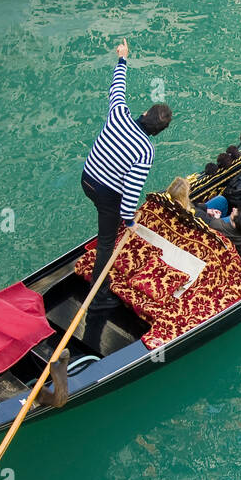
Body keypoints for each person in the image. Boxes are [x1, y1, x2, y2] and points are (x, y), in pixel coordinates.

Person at [81, 38, 172, 307]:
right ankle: (99, 295)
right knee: (107, 243)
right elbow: (132, 190)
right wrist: (129, 221)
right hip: (106, 194)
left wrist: (123, 58)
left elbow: (117, 89)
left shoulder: (119, 114)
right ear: (157, 132)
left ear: (144, 112)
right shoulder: (146, 150)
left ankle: (108, 220)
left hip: (86, 179)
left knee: (106, 212)